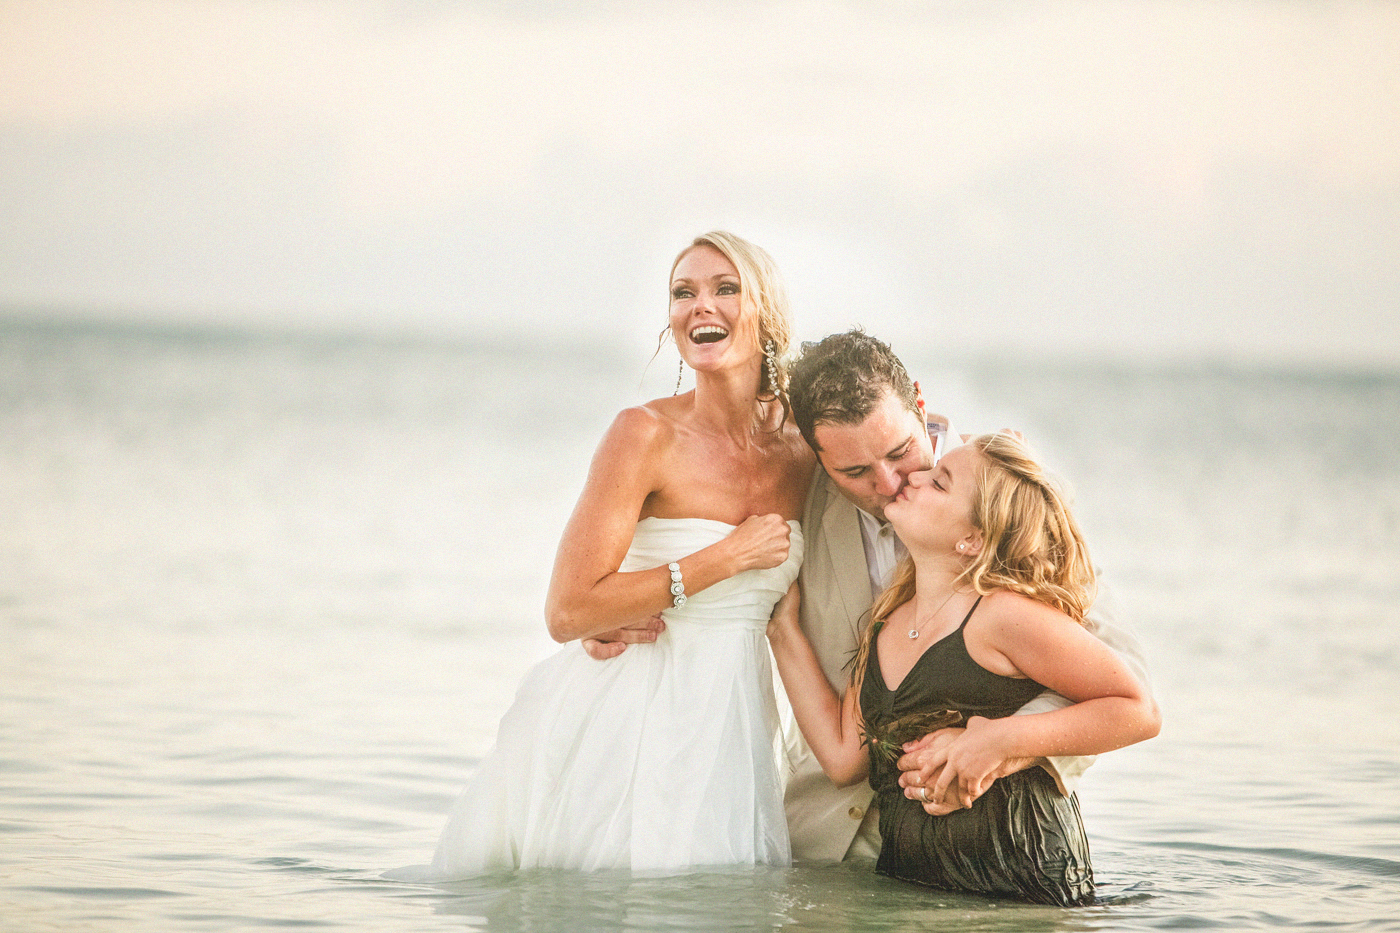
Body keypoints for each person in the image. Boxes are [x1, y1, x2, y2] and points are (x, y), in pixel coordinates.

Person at [393, 232, 814, 878]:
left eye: (725, 288)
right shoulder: (643, 435)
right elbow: (567, 611)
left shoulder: (805, 446)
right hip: (630, 718)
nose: (700, 305)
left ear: (768, 313)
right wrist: (724, 558)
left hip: (737, 723)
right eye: (683, 293)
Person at [779, 330, 1152, 863]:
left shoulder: (1005, 491)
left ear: (918, 403)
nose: (889, 483)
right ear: (817, 456)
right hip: (837, 846)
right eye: (854, 472)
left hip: (995, 839)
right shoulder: (796, 498)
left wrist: (996, 746)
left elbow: (1125, 683)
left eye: (900, 452)